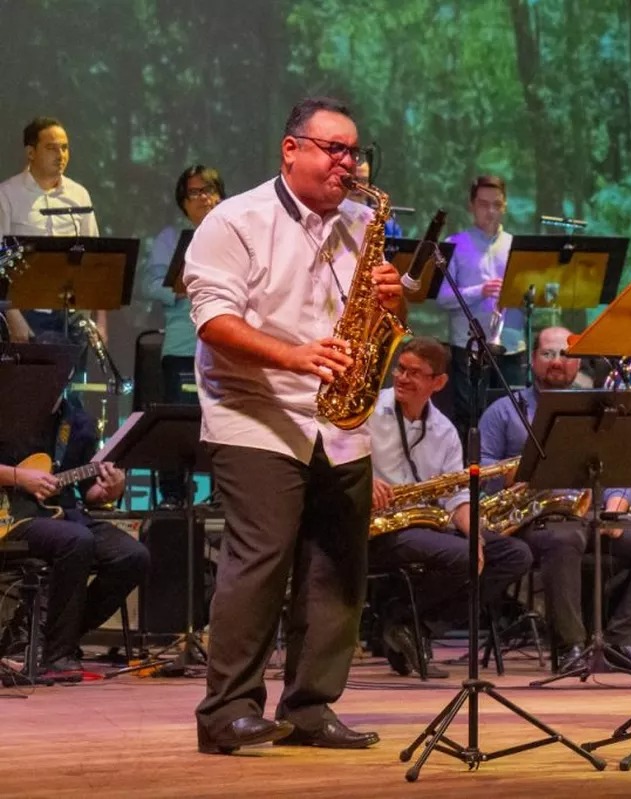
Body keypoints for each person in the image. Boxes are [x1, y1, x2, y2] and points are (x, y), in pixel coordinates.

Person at [184, 96, 405, 754]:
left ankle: (310, 707)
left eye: (354, 152)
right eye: (334, 149)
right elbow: (213, 322)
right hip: (255, 411)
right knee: (260, 562)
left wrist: (394, 301)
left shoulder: (362, 222)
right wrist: (294, 356)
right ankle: (227, 711)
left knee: (338, 566)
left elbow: (377, 320)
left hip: (339, 419)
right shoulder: (234, 220)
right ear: (291, 149)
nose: (348, 163)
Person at [479, 326, 631, 672]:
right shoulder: (503, 410)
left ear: (578, 363)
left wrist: (618, 502)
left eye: (566, 355)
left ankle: (620, 639)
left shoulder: (599, 407)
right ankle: (572, 646)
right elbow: (481, 465)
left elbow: (619, 465)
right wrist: (510, 475)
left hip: (593, 514)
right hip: (535, 517)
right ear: (533, 359)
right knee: (565, 539)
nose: (557, 361)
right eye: (548, 353)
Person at [365, 337, 532, 678]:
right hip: (378, 526)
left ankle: (415, 624)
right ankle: (401, 617)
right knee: (460, 555)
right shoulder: (369, 410)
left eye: (414, 373)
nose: (402, 378)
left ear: (438, 382)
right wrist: (363, 479)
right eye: (400, 369)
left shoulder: (443, 430)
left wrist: (476, 537)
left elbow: (456, 497)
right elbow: (335, 454)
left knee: (514, 555)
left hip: (426, 524)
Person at [0, 402, 149, 681]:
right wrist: (19, 477)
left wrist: (111, 489)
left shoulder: (76, 419)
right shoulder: (9, 404)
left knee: (132, 555)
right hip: (10, 517)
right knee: (76, 540)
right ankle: (57, 656)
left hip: (62, 514)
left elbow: (90, 492)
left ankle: (51, 639)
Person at [141, 164, 226, 506]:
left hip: (227, 346)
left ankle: (222, 495)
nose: (204, 198)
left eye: (209, 190)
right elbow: (149, 285)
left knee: (225, 422)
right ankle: (173, 497)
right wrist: (182, 289)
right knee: (179, 424)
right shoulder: (170, 238)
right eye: (195, 192)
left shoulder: (235, 231)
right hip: (183, 343)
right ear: (183, 202)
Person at [436, 175, 526, 440]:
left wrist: (517, 294)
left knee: (514, 416)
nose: (490, 211)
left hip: (511, 345)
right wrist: (481, 291)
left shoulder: (516, 246)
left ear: (505, 206)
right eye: (483, 204)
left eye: (496, 205)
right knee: (471, 415)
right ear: (471, 205)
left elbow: (532, 294)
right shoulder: (455, 244)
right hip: (469, 347)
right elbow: (442, 297)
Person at [0, 117, 102, 345]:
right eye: (51, 148)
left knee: (75, 370)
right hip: (25, 313)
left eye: (64, 148)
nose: (60, 155)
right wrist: (12, 316)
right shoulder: (7, 195)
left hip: (72, 315)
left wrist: (97, 320)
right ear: (31, 152)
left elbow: (96, 259)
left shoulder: (79, 195)